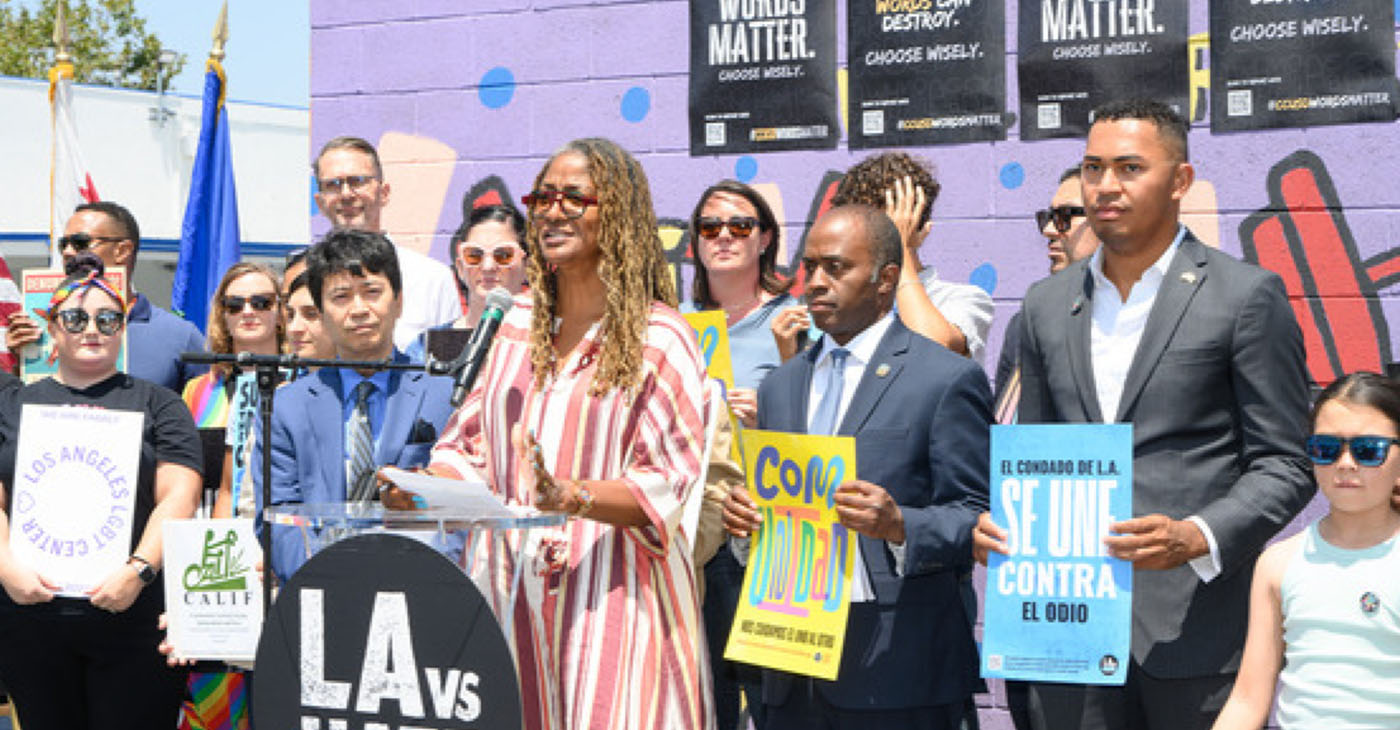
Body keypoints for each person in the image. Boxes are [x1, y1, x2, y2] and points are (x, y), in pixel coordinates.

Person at [974, 99, 1314, 730]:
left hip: (1197, 635)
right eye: (1092, 168)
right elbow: (1039, 457)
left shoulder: (1245, 296)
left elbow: (1287, 463)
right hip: (1069, 636)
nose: (1105, 186)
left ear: (1180, 180)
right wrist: (1001, 522)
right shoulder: (1045, 305)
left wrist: (1198, 537)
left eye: (1130, 168)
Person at [424, 137, 712, 730]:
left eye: (574, 197)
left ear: (621, 212)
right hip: (507, 595)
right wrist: (428, 485)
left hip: (613, 599)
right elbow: (467, 440)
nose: (552, 210)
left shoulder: (659, 337)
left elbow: (669, 483)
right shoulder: (516, 322)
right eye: (543, 196)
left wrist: (569, 495)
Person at [723, 205, 992, 729]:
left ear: (885, 278)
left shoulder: (944, 379)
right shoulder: (780, 387)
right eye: (810, 266)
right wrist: (747, 525)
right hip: (790, 667)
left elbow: (977, 517)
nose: (816, 282)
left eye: (837, 268)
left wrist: (899, 525)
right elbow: (779, 517)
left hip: (897, 672)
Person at [0, 253, 203, 729]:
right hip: (29, 616)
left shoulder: (161, 404)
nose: (92, 328)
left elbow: (180, 495)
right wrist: (6, 568)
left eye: (107, 318)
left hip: (132, 616)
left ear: (122, 329)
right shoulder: (11, 403)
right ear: (52, 329)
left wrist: (138, 572)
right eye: (75, 317)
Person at [256, 229, 455, 582]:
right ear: (321, 311)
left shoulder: (444, 395)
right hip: (322, 592)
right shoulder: (286, 407)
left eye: (372, 292)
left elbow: (457, 516)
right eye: (341, 296)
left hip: (421, 587)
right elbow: (277, 518)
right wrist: (330, 580)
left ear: (399, 302)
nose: (359, 309)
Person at [1212, 372, 1400, 730]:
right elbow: (1248, 700)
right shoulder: (1278, 563)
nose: (1345, 464)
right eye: (1327, 448)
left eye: (1369, 450)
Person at [683, 178, 795, 730]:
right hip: (688, 532)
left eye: (740, 226)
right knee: (703, 692)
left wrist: (773, 408)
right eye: (710, 227)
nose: (723, 236)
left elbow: (830, 424)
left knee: (769, 692)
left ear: (765, 238)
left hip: (765, 533)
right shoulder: (672, 326)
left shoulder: (795, 321)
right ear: (695, 244)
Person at [774, 152, 994, 365]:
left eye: (887, 227)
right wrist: (790, 359)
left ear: (920, 229)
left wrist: (899, 250)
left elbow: (931, 353)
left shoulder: (961, 300)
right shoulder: (838, 306)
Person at [5, 201, 206, 392]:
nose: (67, 252)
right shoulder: (47, 326)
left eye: (80, 243)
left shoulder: (180, 337)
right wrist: (21, 362)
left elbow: (205, 414)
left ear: (122, 250)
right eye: (63, 244)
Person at [313, 136, 461, 350]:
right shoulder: (304, 274)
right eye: (333, 185)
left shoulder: (432, 279)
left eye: (357, 181)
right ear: (320, 201)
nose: (346, 194)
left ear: (384, 193)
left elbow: (446, 369)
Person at [993, 166, 1101, 423]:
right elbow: (1009, 430)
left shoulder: (1152, 314)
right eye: (1048, 217)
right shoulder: (1031, 322)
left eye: (1065, 216)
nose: (1049, 230)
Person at [181, 263, 283, 519]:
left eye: (262, 302)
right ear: (222, 316)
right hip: (212, 532)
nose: (247, 312)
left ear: (282, 312)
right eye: (234, 305)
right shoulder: (199, 390)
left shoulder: (301, 384)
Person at [405, 204, 530, 364]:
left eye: (503, 255)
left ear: (529, 265)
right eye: (474, 255)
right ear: (460, 267)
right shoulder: (427, 347)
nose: (488, 267)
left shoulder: (548, 342)